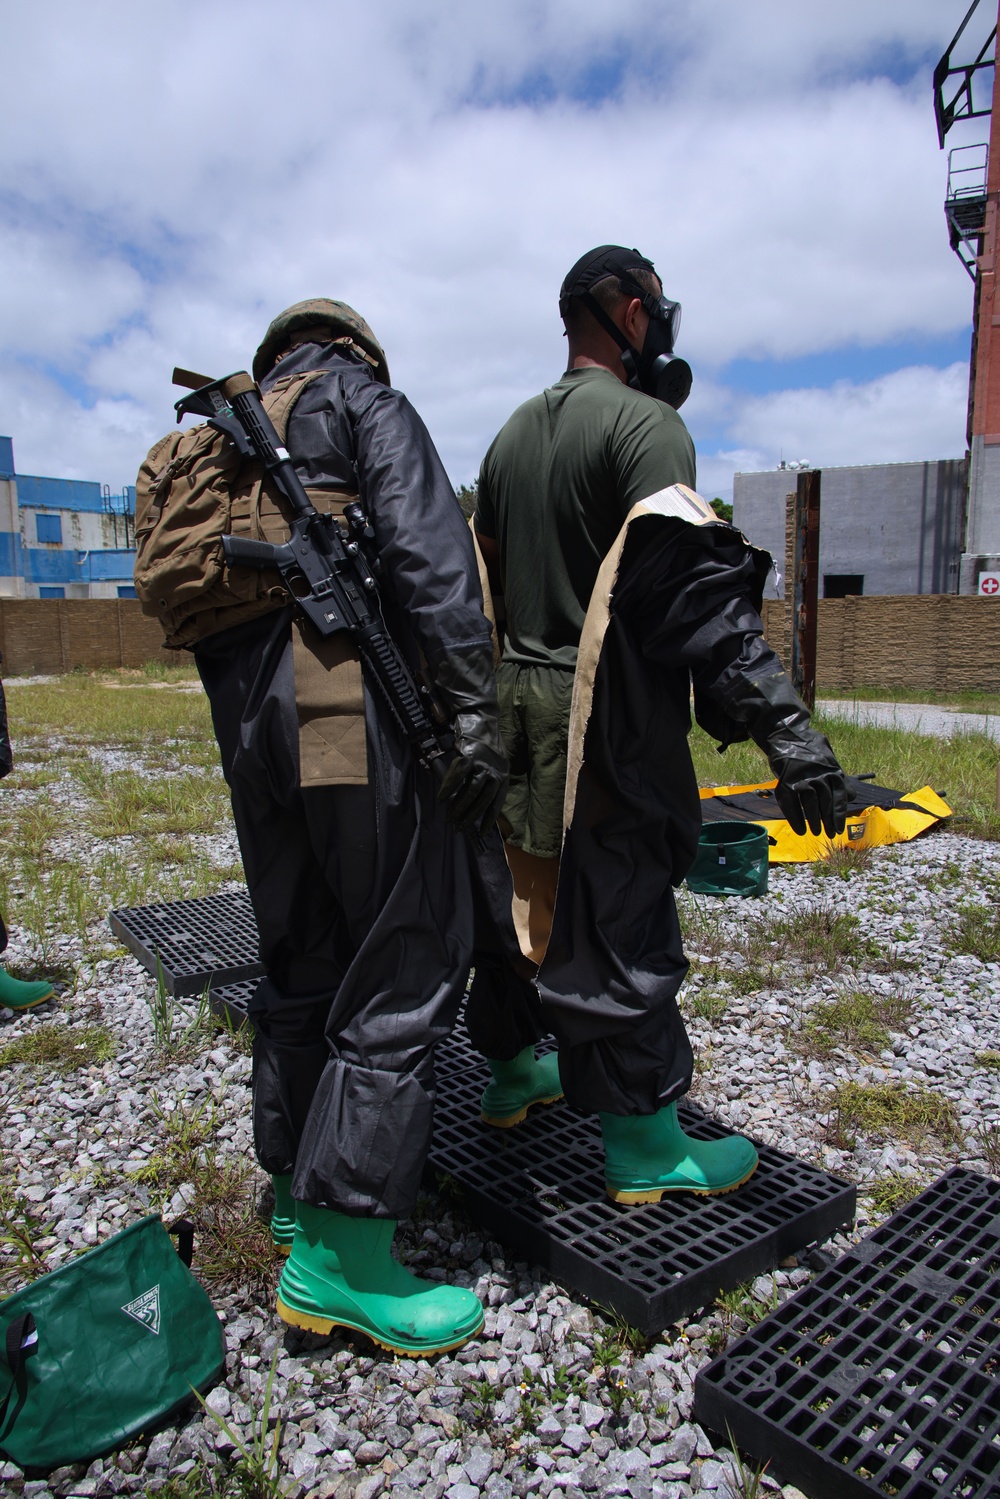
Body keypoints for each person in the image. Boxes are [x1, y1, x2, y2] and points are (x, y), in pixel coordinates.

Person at [470, 245, 847, 1203]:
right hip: (608, 716)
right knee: (622, 909)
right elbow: (697, 604)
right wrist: (789, 735)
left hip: (513, 706)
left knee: (523, 893)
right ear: (633, 314)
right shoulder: (648, 431)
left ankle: (515, 1073)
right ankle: (645, 1147)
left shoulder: (508, 438)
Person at [192, 299, 507, 1355]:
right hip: (334, 711)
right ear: (353, 347)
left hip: (245, 724)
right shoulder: (362, 401)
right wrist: (470, 714)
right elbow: (430, 557)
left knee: (302, 947)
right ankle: (342, 1255)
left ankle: (293, 1186)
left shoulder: (221, 443)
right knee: (405, 948)